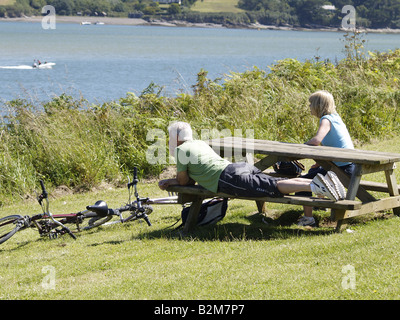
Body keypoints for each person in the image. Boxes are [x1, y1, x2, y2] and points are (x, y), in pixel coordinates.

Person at [158, 121, 346, 205]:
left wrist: (170, 181)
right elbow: (189, 179)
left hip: (226, 178)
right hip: (237, 167)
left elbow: (184, 182)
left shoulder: (182, 151)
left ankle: (317, 185)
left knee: (274, 186)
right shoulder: (199, 143)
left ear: (175, 138)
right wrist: (172, 181)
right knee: (272, 182)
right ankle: (319, 183)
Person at [296, 90, 355, 227]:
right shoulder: (336, 117)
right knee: (313, 173)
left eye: (311, 104)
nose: (309, 107)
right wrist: (319, 162)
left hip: (340, 170)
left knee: (301, 184)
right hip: (349, 166)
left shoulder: (326, 120)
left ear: (318, 105)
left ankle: (308, 219)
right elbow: (336, 144)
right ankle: (321, 205)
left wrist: (300, 147)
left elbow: (317, 140)